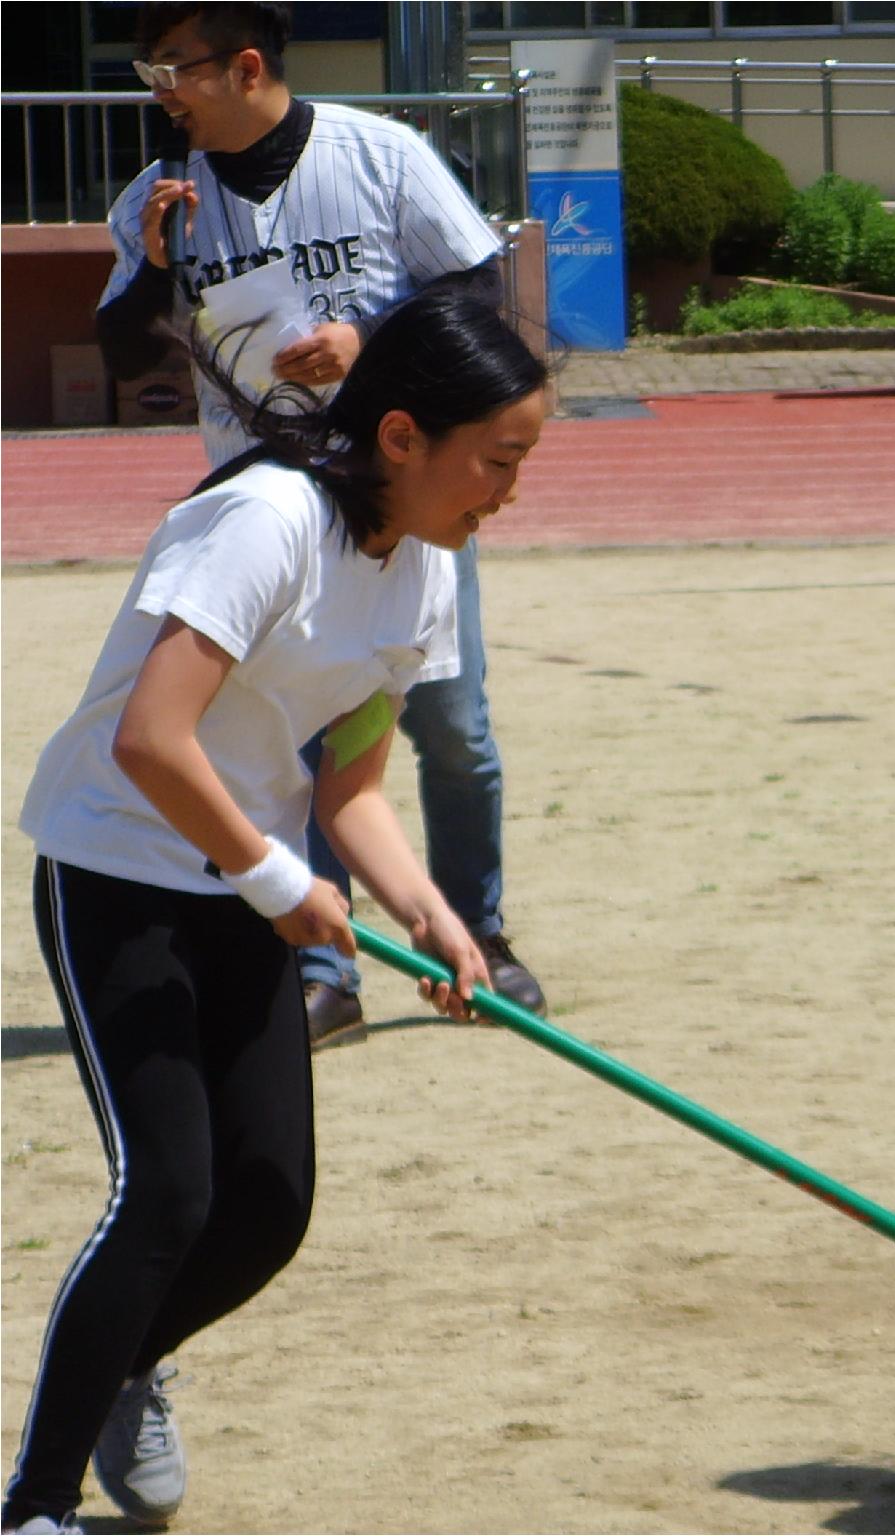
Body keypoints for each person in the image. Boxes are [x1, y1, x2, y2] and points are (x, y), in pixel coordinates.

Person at [2, 289, 549, 1536]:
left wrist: (431, 913)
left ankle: (130, 1362)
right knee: (170, 1192)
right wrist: (274, 881)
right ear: (403, 437)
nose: (509, 491)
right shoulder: (265, 520)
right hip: (121, 866)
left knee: (266, 1207)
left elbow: (348, 784)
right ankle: (34, 1505)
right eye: (498, 460)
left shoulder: (421, 573)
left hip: (250, 882)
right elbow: (152, 740)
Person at [95, 1, 548, 1053]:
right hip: (273, 510)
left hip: (405, 495)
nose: (161, 95)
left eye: (175, 70)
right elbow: (121, 352)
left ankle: (475, 929)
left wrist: (368, 342)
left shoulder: (380, 154)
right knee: (301, 749)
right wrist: (157, 268)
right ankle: (325, 966)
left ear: (244, 65)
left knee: (452, 731)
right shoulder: (160, 197)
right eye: (148, 71)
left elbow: (478, 288)